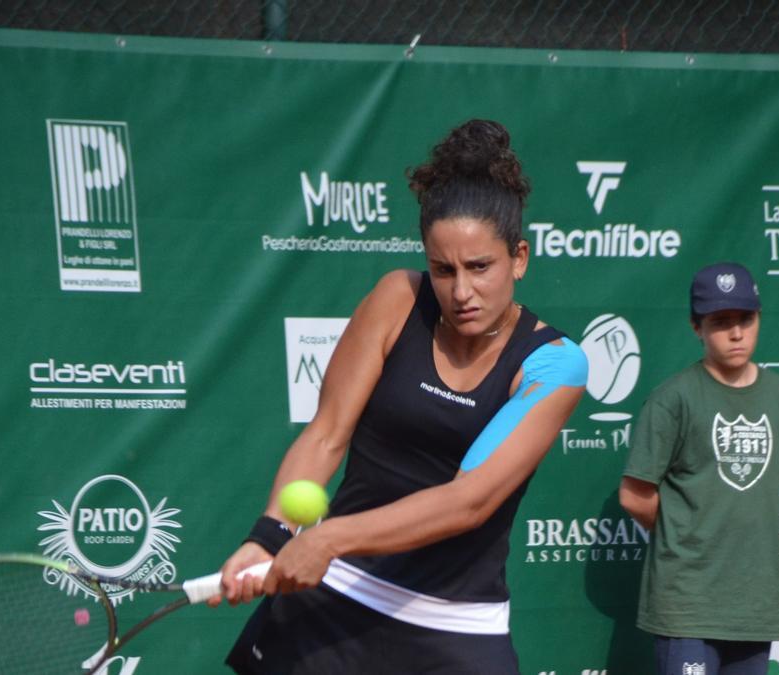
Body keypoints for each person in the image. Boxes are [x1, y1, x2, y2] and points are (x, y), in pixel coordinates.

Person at [214, 119, 588, 673]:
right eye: (443, 269)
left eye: (480, 267)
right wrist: (270, 535)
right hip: (332, 603)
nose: (461, 291)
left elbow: (470, 501)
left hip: (455, 628)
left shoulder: (554, 363)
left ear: (519, 258)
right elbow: (326, 433)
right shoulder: (397, 299)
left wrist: (329, 539)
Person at [619, 262, 779, 675]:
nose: (736, 333)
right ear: (696, 327)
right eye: (721, 322)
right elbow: (634, 495)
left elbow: (778, 489)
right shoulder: (673, 398)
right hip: (688, 602)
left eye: (746, 319)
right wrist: (684, 534)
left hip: (755, 606)